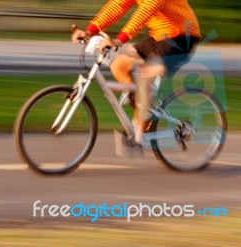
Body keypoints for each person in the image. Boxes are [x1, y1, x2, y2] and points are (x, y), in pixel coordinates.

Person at [71, 0, 200, 145]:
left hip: (182, 39)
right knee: (119, 64)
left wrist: (118, 41)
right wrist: (89, 31)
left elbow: (144, 12)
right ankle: (143, 108)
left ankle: (140, 126)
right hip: (159, 37)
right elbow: (117, 6)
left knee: (146, 74)